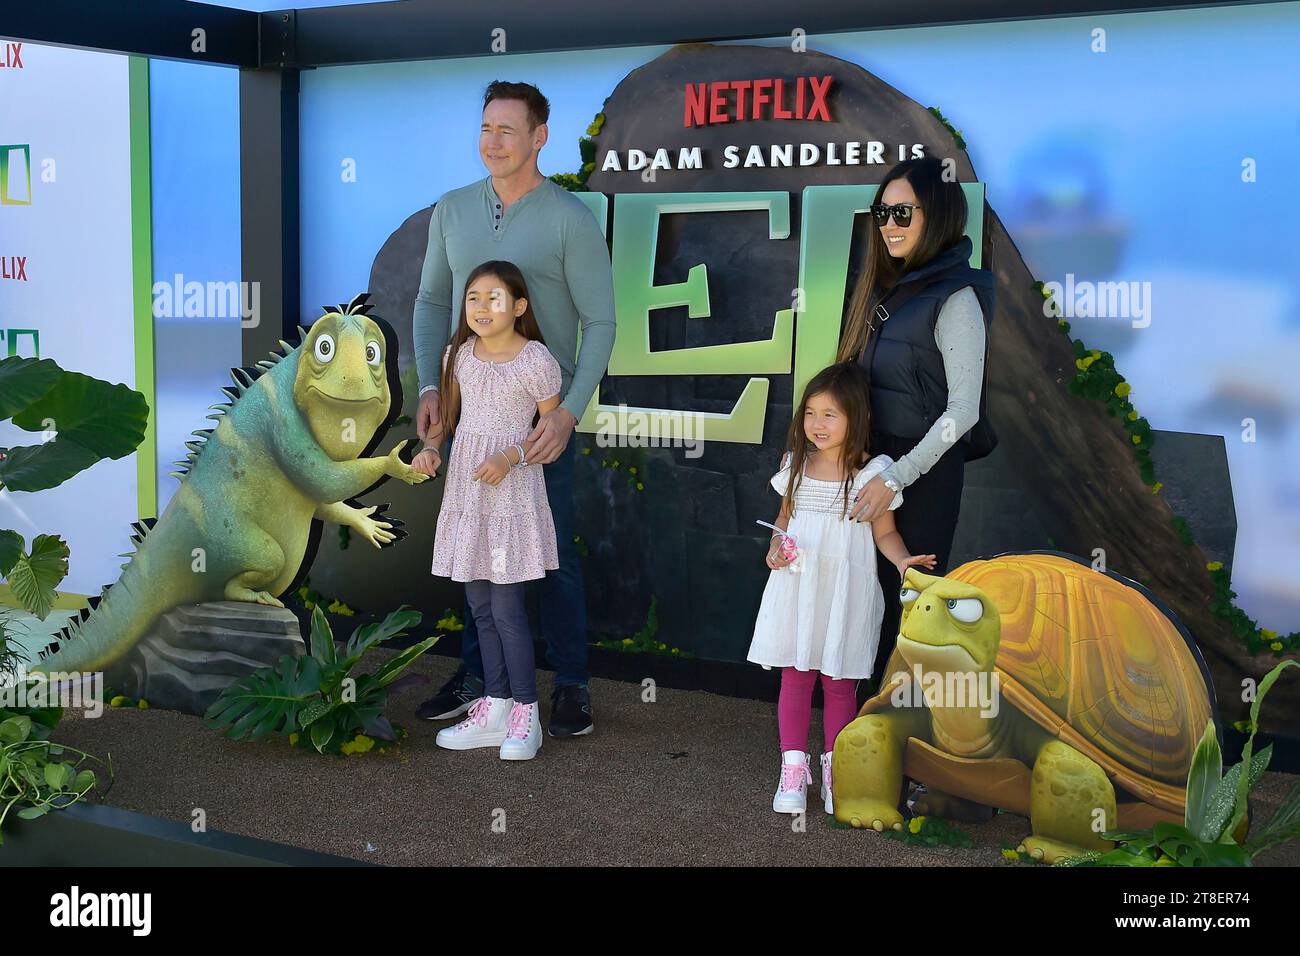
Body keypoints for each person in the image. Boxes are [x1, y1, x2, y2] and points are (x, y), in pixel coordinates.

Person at [411, 81, 616, 737]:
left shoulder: (569, 217)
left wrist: (568, 412)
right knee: (478, 550)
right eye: (486, 128)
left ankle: (571, 687)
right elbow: (427, 304)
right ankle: (484, 686)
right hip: (470, 415)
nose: (493, 141)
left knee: (550, 555)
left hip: (539, 414)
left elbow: (602, 322)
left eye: (507, 129)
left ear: (539, 137)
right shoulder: (452, 209)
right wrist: (430, 387)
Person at [838, 156, 995, 700]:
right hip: (870, 467)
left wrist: (898, 478)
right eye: (882, 213)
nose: (889, 225)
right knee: (864, 607)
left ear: (940, 215)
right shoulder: (883, 289)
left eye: (903, 212)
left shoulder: (958, 298)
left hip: (920, 476)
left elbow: (963, 411)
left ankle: (902, 758)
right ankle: (857, 748)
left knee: (910, 614)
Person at [747, 362, 935, 815]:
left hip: (845, 595)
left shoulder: (874, 474)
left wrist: (903, 560)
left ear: (856, 417)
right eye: (810, 413)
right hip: (798, 590)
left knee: (839, 683)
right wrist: (776, 546)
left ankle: (837, 772)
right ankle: (793, 769)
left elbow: (885, 534)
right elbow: (784, 521)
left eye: (830, 414)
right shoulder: (795, 465)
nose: (817, 424)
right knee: (795, 677)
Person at [421, 262, 562, 761]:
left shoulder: (536, 360)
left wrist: (512, 457)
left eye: (494, 298)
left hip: (513, 492)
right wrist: (433, 449)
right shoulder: (458, 356)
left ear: (519, 307)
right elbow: (449, 418)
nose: (481, 308)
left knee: (506, 609)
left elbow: (551, 435)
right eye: (473, 298)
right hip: (469, 490)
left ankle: (527, 713)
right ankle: (495, 703)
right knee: (479, 605)